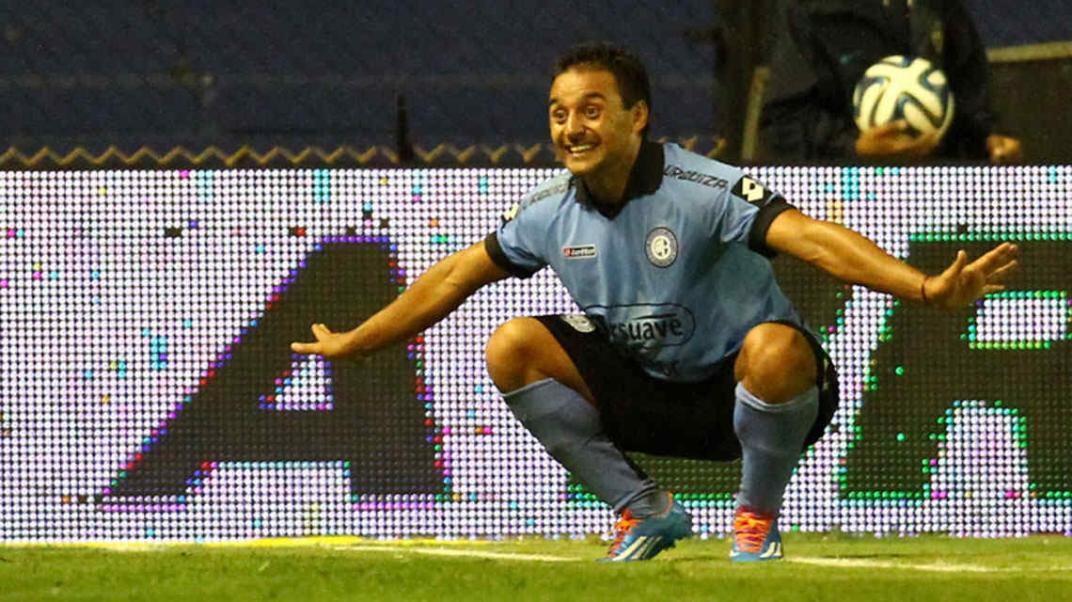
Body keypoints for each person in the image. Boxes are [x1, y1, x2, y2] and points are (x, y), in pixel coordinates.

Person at [291, 42, 1018, 562]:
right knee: (511, 344)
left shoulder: (702, 188)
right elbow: (452, 277)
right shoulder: (547, 213)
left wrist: (924, 288)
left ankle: (756, 519)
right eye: (558, 113)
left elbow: (813, 239)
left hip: (753, 391)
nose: (571, 128)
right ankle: (646, 514)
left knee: (775, 346)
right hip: (653, 395)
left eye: (591, 110)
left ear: (637, 118)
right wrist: (357, 341)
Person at [759, 0, 1022, 163]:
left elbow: (971, 101)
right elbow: (783, 121)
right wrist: (854, 147)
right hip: (845, 199)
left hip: (934, 190)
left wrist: (991, 140)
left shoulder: (941, 7)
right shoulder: (810, 9)